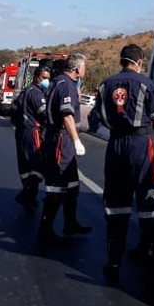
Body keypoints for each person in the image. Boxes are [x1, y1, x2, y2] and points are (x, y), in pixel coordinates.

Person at [89, 43, 154, 281]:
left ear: (122, 60)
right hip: (141, 144)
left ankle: (113, 262)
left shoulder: (105, 84)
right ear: (139, 61)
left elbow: (96, 118)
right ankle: (148, 252)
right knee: (149, 196)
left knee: (116, 204)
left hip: (116, 145)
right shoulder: (146, 83)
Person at [38, 53, 92, 244]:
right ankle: (45, 230)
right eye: (84, 67)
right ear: (77, 68)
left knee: (72, 186)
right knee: (57, 188)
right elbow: (66, 115)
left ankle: (70, 223)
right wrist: (76, 140)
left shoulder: (59, 82)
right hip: (62, 140)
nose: (85, 70)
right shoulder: (66, 85)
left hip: (62, 138)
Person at [12, 65, 51, 211]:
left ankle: (30, 198)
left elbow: (13, 111)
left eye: (48, 78)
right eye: (44, 78)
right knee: (38, 165)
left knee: (24, 166)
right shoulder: (37, 94)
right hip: (33, 132)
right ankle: (26, 194)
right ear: (36, 78)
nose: (46, 81)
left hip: (21, 132)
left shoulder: (24, 91)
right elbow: (45, 115)